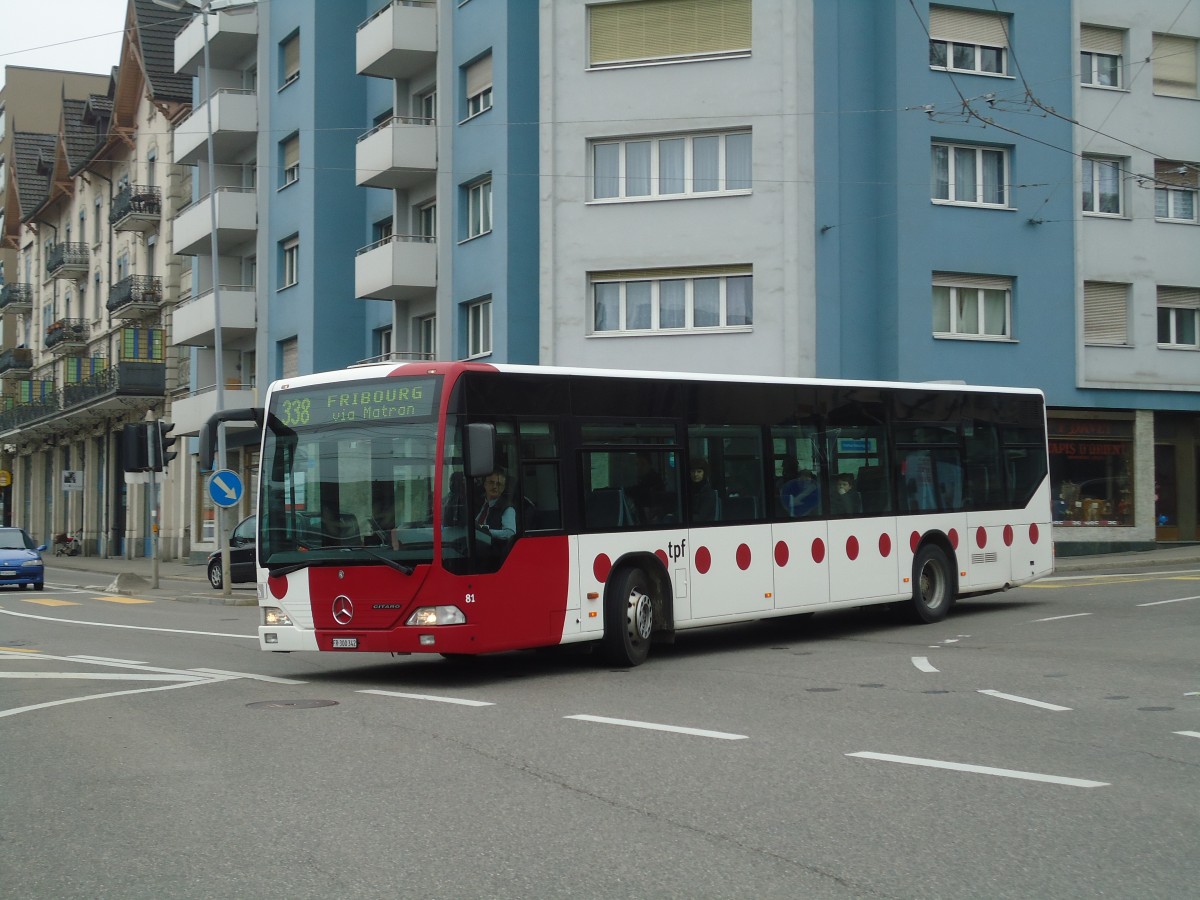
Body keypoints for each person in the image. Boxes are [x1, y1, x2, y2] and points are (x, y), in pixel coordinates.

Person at [473, 468, 516, 541]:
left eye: (499, 484)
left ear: (503, 488)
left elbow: (510, 533)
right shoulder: (477, 503)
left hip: (492, 549)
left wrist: (484, 531)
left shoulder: (507, 508)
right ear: (485, 484)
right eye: (491, 482)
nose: (494, 487)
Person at [688, 457, 721, 522]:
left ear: (704, 473)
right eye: (693, 471)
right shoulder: (688, 490)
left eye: (699, 471)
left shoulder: (708, 493)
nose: (695, 474)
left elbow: (701, 517)